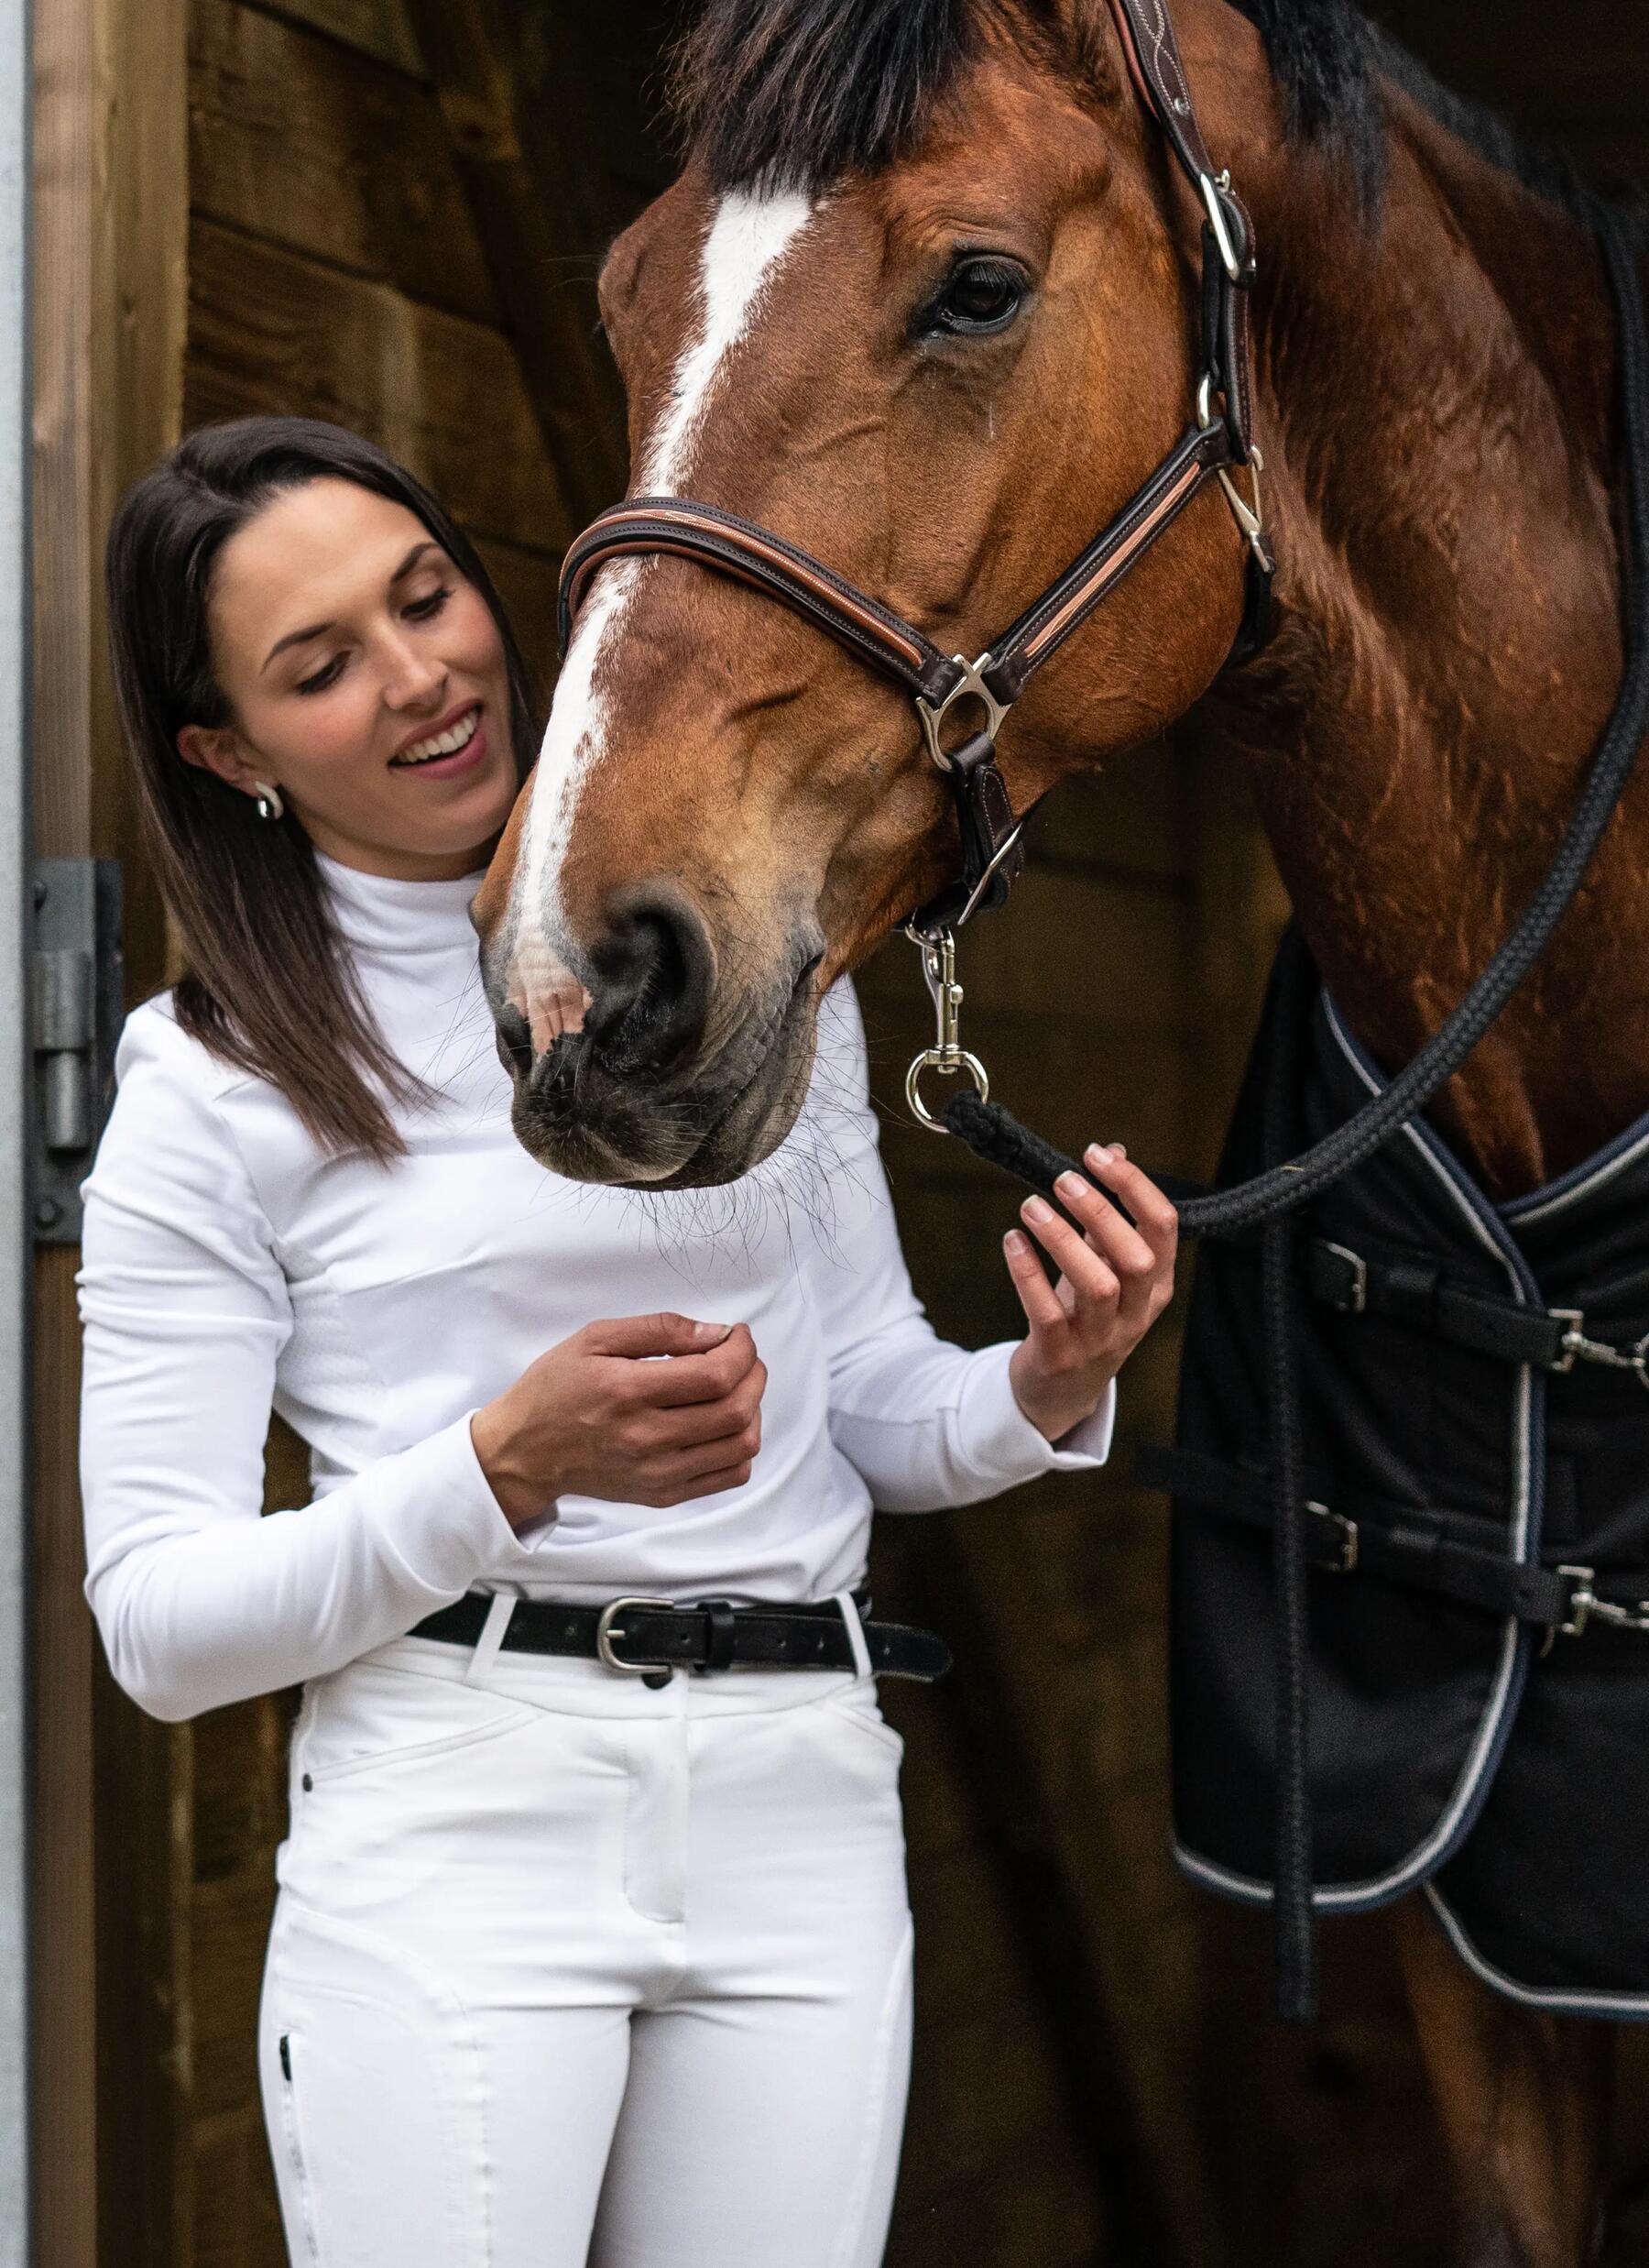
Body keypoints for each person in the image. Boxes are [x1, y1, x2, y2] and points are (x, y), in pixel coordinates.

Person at [80, 415, 1179, 2268]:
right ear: (227, 753)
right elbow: (164, 1626)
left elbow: (871, 1406)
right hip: (459, 1824)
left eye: (424, 596)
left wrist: (1044, 1382)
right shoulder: (211, 1089)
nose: (421, 674)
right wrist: (503, 1463)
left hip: (797, 1801)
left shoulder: (740, 945)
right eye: (319, 667)